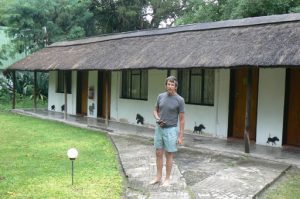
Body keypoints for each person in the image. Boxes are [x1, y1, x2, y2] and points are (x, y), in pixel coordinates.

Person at [150, 76, 185, 186]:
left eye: (172, 84)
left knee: (169, 154)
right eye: (168, 84)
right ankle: (158, 177)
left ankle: (168, 178)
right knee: (158, 153)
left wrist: (180, 136)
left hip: (171, 130)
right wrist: (157, 118)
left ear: (175, 87)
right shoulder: (160, 96)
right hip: (159, 129)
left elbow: (182, 119)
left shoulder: (180, 100)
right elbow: (155, 110)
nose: (170, 86)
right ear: (166, 85)